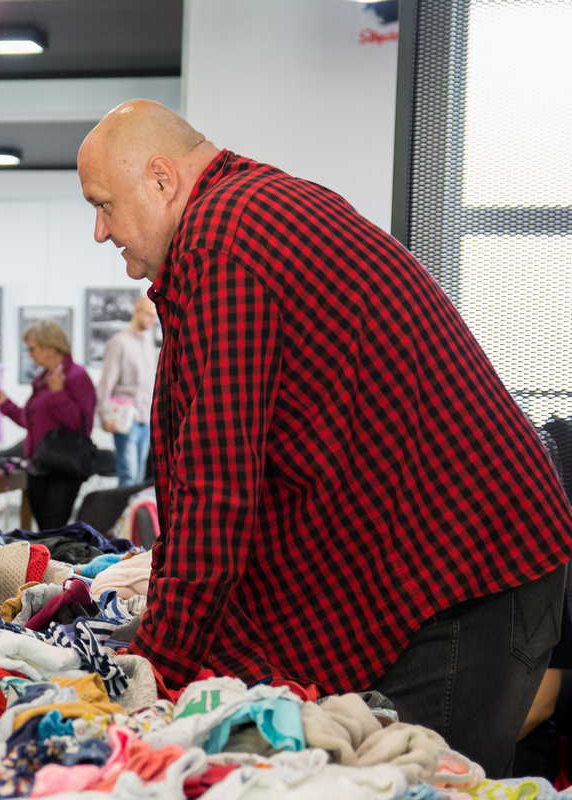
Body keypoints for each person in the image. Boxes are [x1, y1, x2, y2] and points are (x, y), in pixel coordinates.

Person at [77, 99, 572, 775]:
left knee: (403, 781)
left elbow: (218, 489)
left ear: (162, 179)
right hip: (454, 560)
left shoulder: (225, 242)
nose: (100, 231)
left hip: (469, 576)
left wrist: (156, 677)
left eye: (103, 204)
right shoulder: (251, 211)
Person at [0, 319, 96, 530]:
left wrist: (59, 394)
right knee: (44, 529)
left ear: (50, 348)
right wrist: (6, 405)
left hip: (63, 466)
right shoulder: (43, 379)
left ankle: (56, 564)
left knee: (53, 528)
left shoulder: (76, 376)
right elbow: (30, 421)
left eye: (32, 349)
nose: (29, 354)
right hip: (39, 465)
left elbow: (82, 426)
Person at [97, 295, 158, 486]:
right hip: (125, 417)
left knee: (140, 477)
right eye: (148, 315)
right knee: (128, 475)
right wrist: (105, 416)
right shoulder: (119, 342)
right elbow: (106, 383)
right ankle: (124, 514)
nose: (152, 320)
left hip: (146, 417)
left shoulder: (149, 343)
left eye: (154, 316)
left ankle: (133, 515)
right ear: (137, 311)